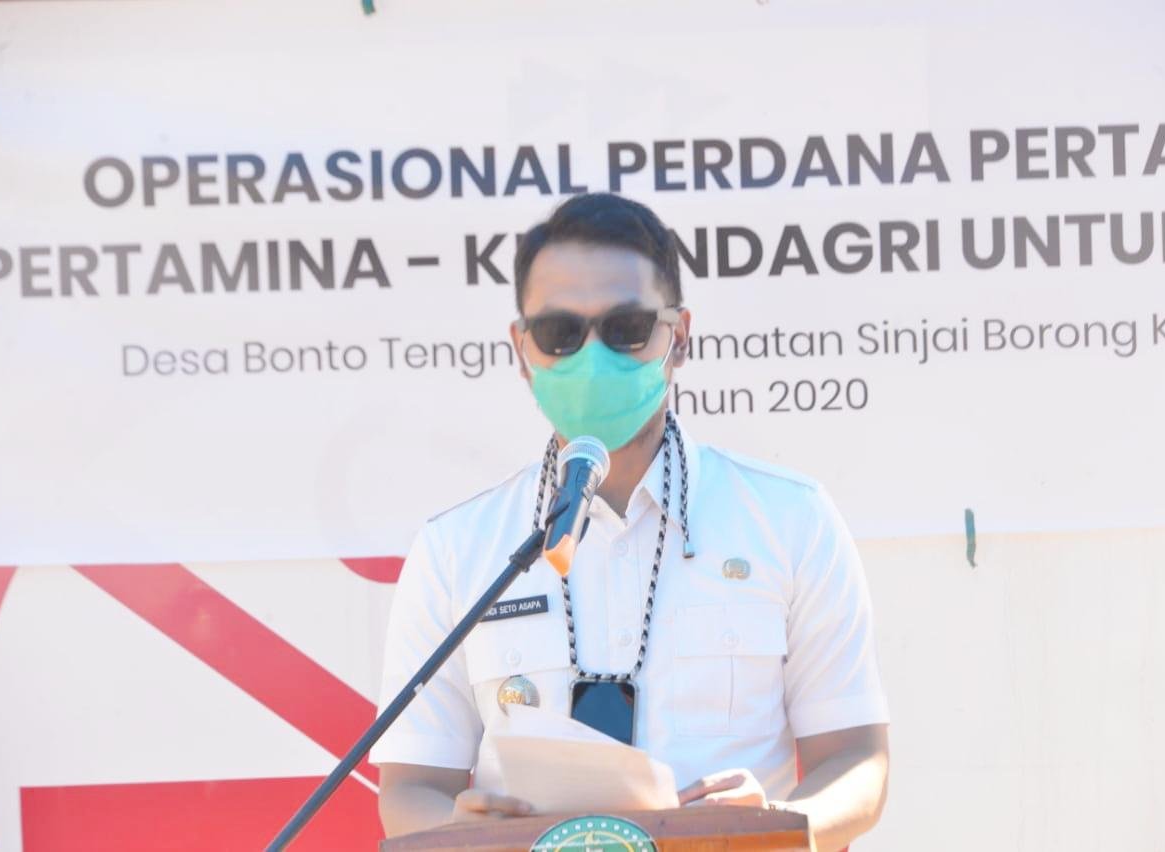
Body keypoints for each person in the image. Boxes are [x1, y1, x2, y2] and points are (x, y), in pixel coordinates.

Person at [371, 193, 890, 850]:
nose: (594, 359)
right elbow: (411, 788)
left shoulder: (791, 520)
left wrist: (772, 826)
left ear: (680, 337)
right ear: (522, 351)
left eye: (627, 328)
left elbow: (857, 761)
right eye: (560, 333)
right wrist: (459, 832)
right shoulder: (456, 549)